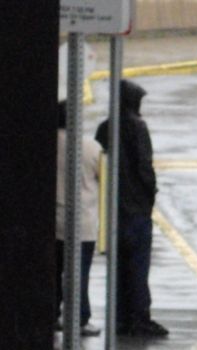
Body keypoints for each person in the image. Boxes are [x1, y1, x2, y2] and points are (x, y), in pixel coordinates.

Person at [95, 80, 169, 337]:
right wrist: (150, 196)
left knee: (118, 268)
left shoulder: (105, 128)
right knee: (138, 268)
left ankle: (120, 317)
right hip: (136, 210)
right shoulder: (138, 127)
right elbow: (144, 167)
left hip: (112, 211)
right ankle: (139, 318)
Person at [55, 100, 102, 336]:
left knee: (53, 271)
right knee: (79, 273)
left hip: (54, 221)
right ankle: (80, 318)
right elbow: (105, 178)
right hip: (83, 222)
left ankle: (51, 313)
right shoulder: (91, 147)